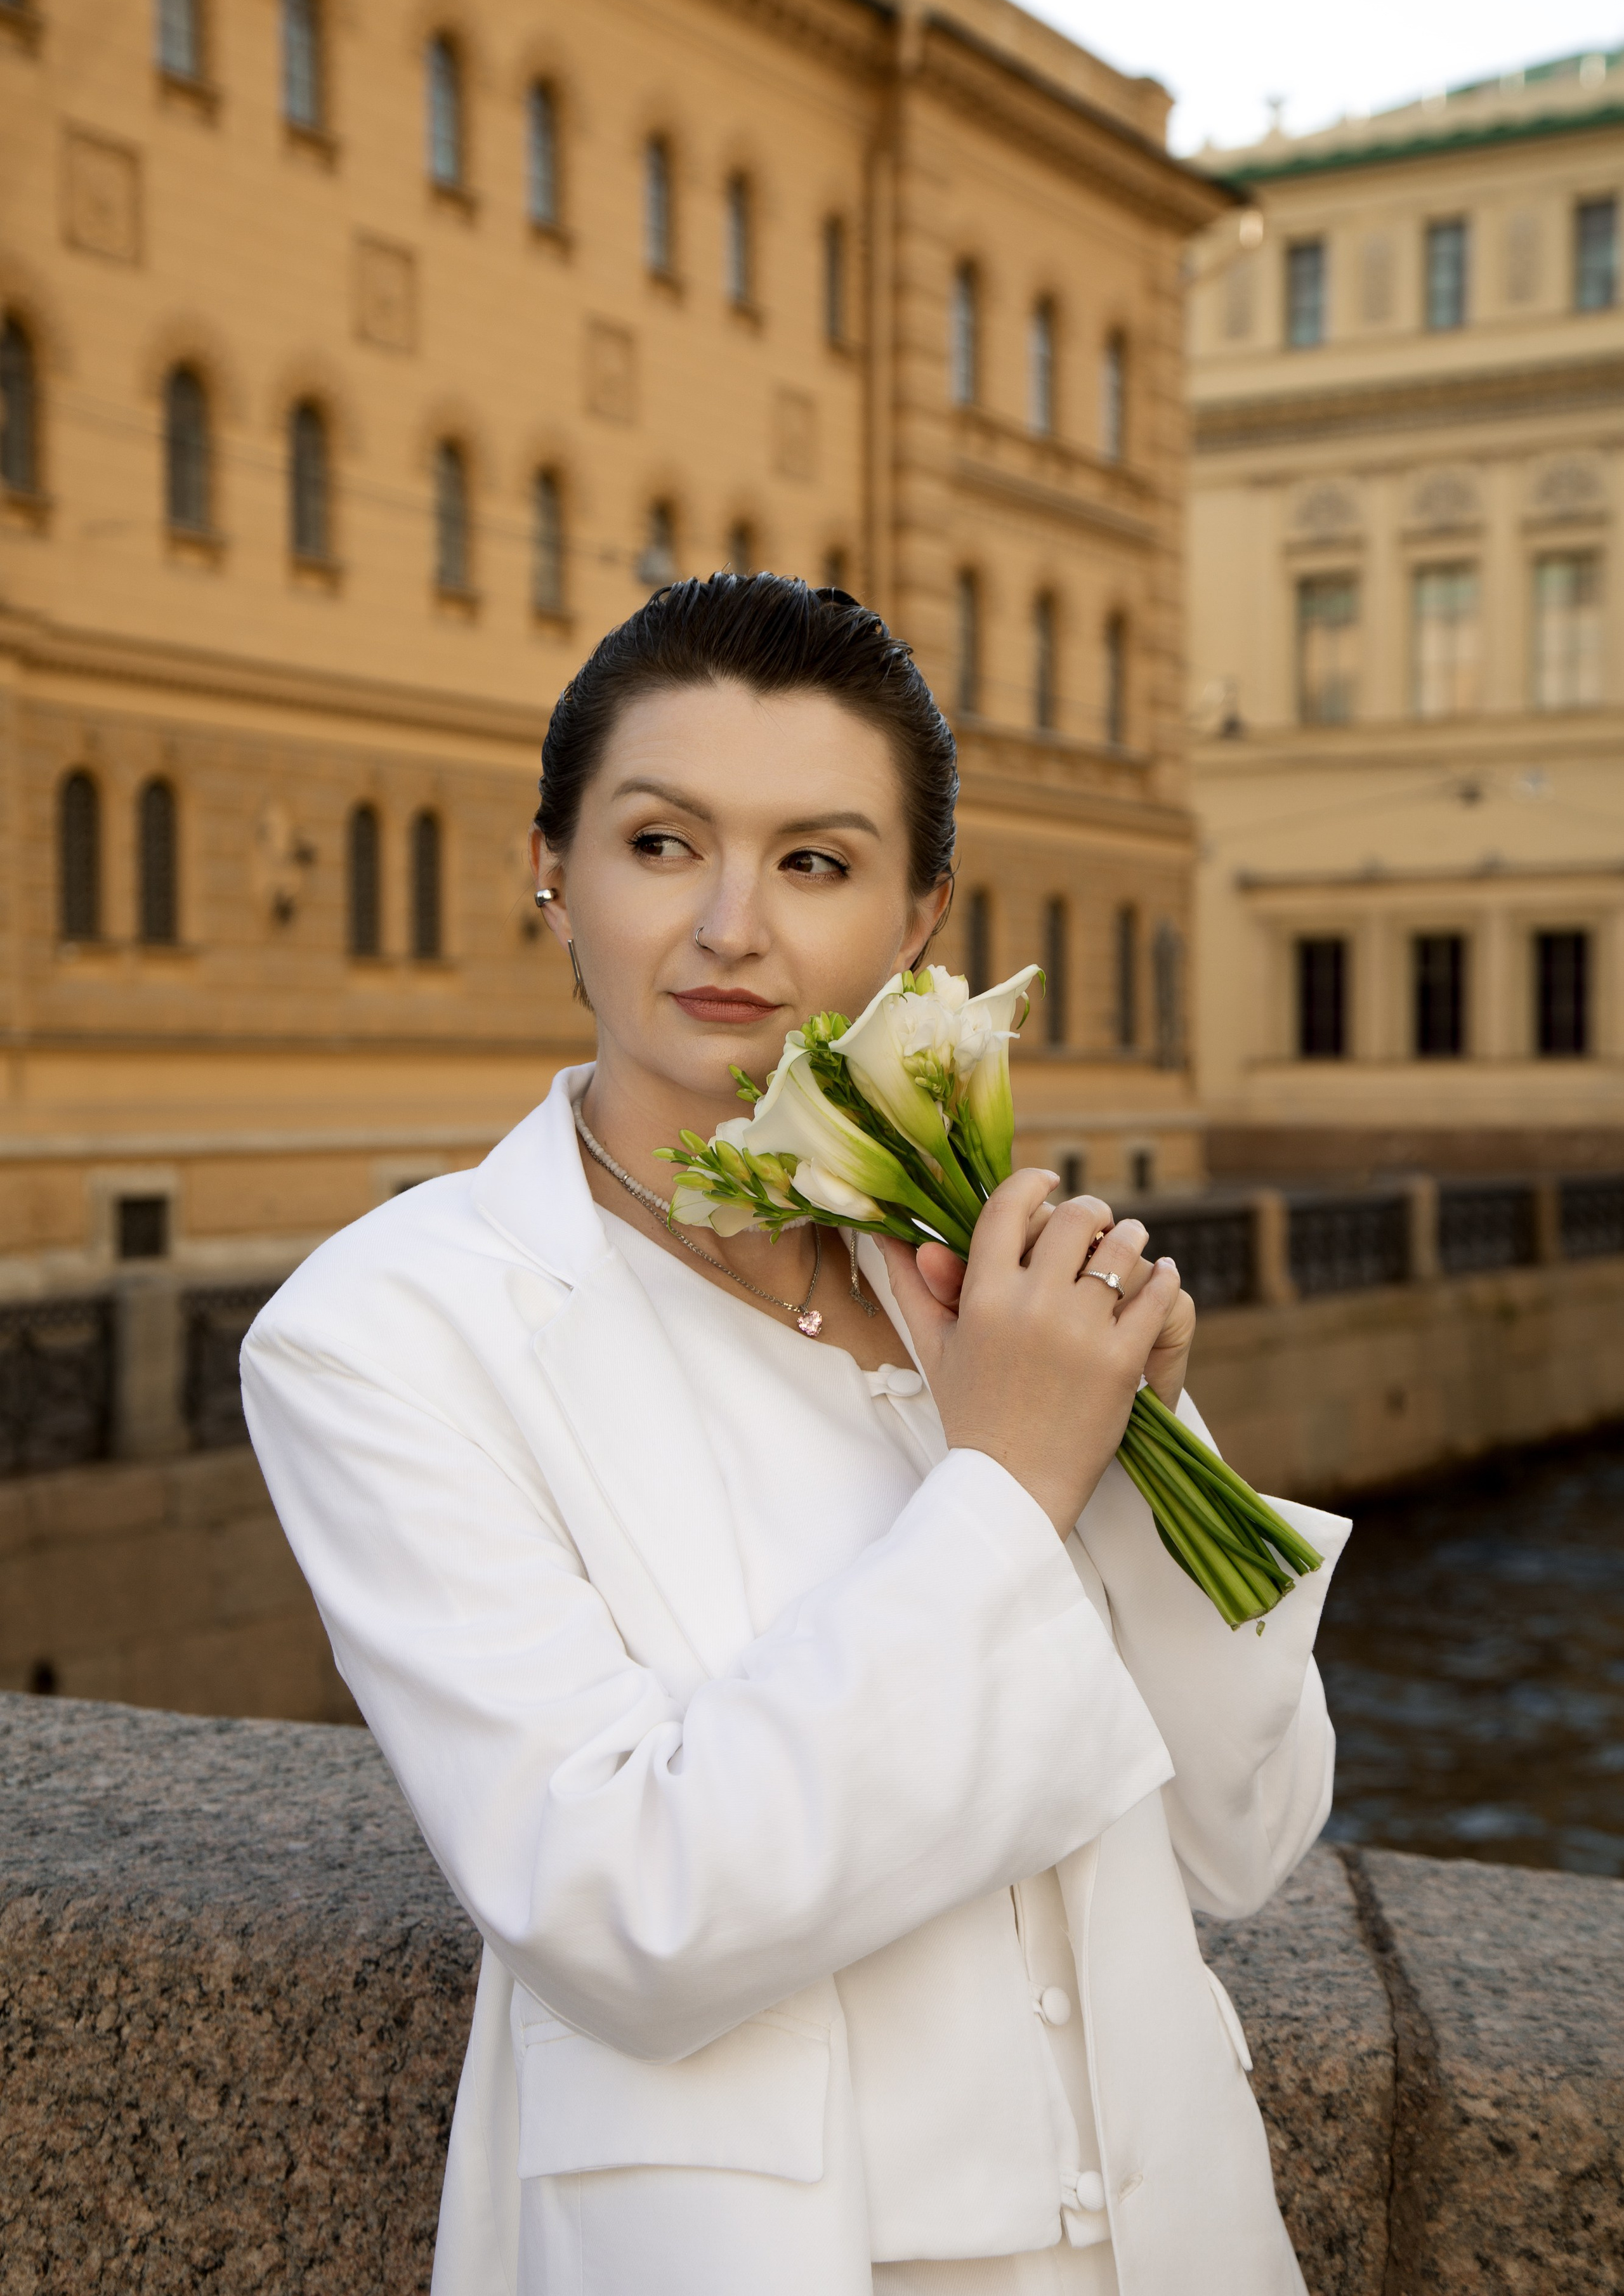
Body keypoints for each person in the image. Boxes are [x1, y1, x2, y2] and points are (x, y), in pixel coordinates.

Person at [242, 575, 1348, 2296]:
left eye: (816, 862)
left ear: (923, 918)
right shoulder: (387, 1334)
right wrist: (1008, 1479)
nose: (730, 928)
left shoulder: (965, 1272)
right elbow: (622, 1911)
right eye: (663, 843)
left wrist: (1138, 1450)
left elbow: (1249, 1832)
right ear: (553, 867)